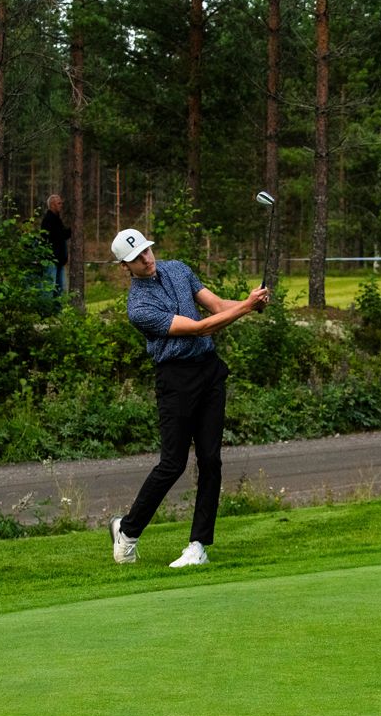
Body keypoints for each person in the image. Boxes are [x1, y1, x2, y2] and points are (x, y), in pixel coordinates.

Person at [107, 228, 269, 568]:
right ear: (126, 266)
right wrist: (245, 309)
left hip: (209, 372)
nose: (147, 259)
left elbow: (216, 306)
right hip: (176, 380)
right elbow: (200, 327)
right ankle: (128, 530)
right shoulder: (138, 307)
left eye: (148, 251)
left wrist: (248, 303)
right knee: (173, 464)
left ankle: (198, 545)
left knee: (211, 460)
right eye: (137, 258)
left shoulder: (179, 269)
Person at [40, 194, 71, 298]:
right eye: (59, 203)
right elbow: (52, 237)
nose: (61, 205)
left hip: (59, 260)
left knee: (60, 288)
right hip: (51, 260)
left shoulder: (57, 219)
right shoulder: (48, 220)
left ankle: (57, 312)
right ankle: (46, 311)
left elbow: (62, 236)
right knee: (49, 287)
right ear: (52, 205)